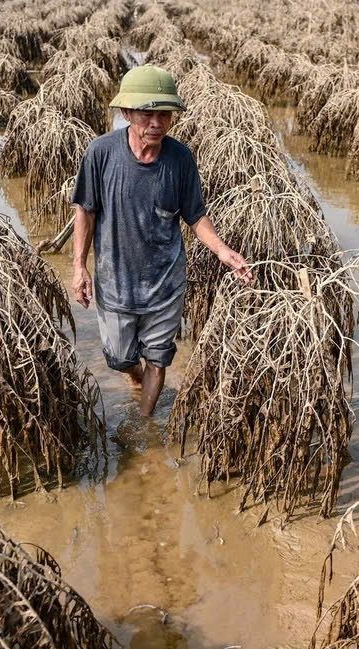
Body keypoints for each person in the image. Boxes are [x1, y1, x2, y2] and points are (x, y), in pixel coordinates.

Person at [70, 65, 250, 417]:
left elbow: (195, 215)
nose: (156, 122)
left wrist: (223, 250)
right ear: (126, 113)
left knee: (158, 356)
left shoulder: (181, 158)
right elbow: (86, 211)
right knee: (120, 358)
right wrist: (79, 267)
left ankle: (145, 419)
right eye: (146, 113)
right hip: (116, 282)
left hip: (166, 281)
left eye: (164, 114)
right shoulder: (101, 153)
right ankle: (133, 375)